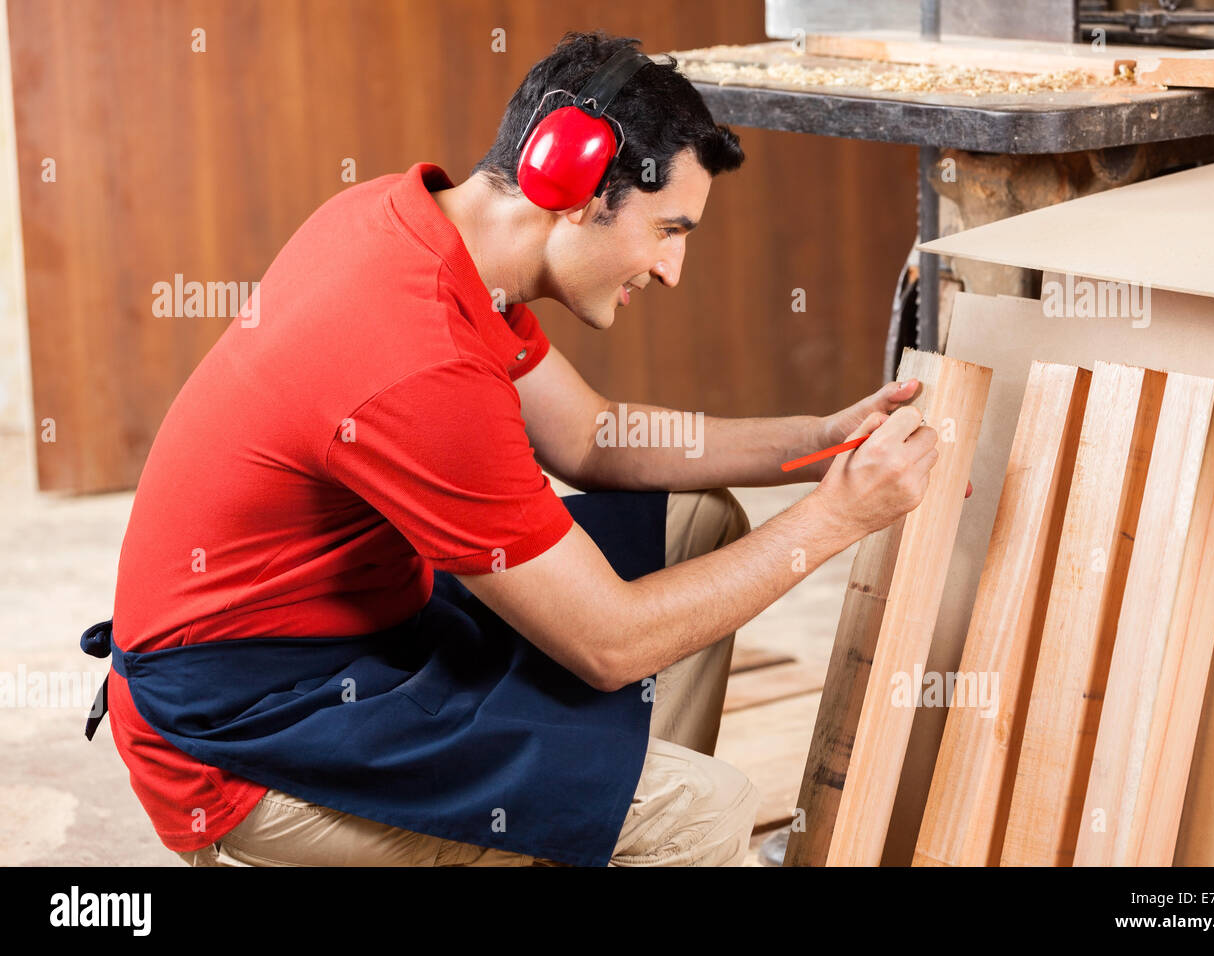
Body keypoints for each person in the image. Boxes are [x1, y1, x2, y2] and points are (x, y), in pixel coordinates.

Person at [80, 30, 940, 868]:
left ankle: (594, 824)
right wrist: (837, 520)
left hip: (361, 636)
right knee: (702, 811)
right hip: (247, 736)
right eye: (667, 230)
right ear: (569, 184)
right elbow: (610, 644)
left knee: (693, 520)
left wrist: (823, 444)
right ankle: (634, 827)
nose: (672, 269)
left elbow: (596, 438)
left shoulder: (413, 226)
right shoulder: (417, 361)